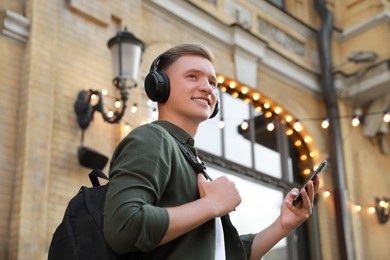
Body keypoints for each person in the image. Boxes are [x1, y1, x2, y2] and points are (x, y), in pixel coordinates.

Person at [103, 43, 319, 260]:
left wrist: (282, 225)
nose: (207, 87)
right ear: (160, 86)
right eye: (192, 76)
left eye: (212, 82)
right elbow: (123, 226)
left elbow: (227, 254)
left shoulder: (190, 158)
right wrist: (210, 205)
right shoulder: (152, 138)